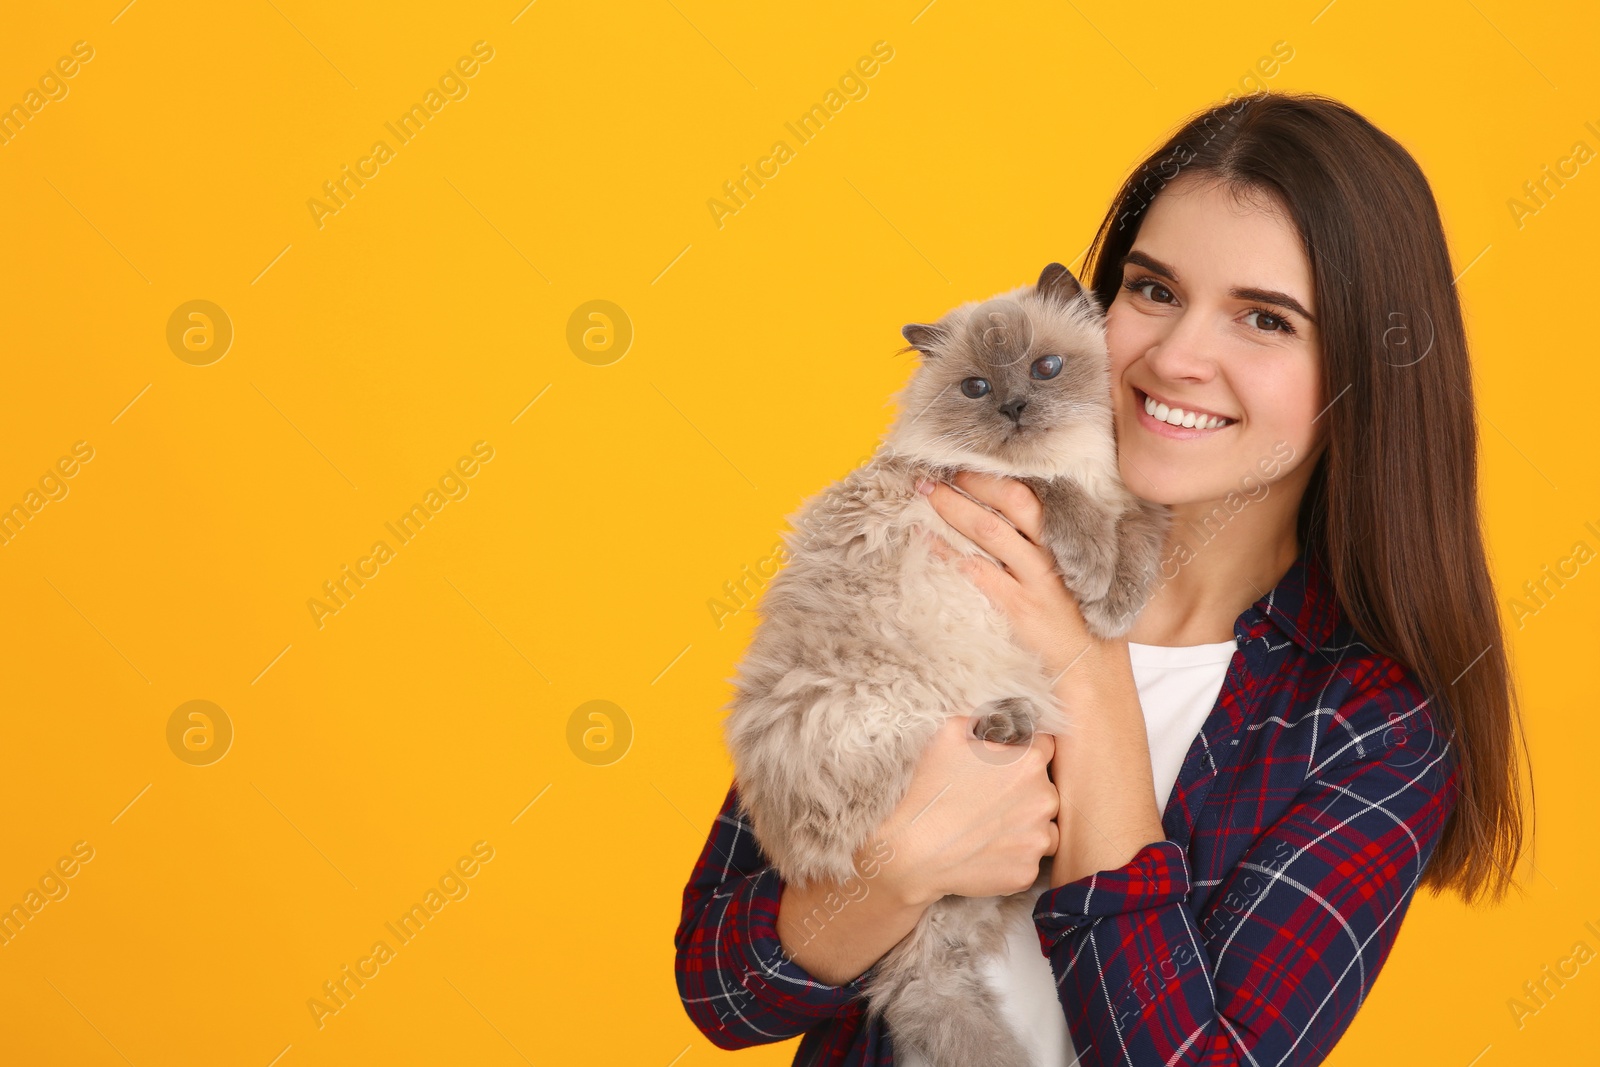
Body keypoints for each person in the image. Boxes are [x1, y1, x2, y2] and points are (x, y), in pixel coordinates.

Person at [674, 90, 1530, 1066]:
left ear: (1361, 375)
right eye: (1153, 290)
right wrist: (896, 870)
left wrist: (1090, 680)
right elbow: (721, 985)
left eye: (1264, 318)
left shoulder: (1372, 726)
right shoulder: (960, 533)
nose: (1174, 357)